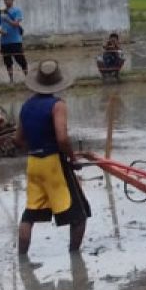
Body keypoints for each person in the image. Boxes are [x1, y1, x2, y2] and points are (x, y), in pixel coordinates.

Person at [14, 60, 91, 255]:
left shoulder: (26, 106)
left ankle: (21, 257)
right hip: (53, 164)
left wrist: (36, 146)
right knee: (79, 213)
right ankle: (75, 257)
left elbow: (18, 139)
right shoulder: (58, 105)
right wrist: (72, 158)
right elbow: (62, 138)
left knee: (29, 214)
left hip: (33, 163)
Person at [0, 0, 28, 83]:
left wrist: (7, 19)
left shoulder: (17, 10)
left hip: (16, 41)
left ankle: (28, 78)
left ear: (13, 0)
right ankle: (11, 80)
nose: (7, 1)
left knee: (21, 60)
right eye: (5, 0)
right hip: (4, 42)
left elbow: (16, 24)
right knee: (8, 62)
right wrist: (1, 32)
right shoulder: (0, 12)